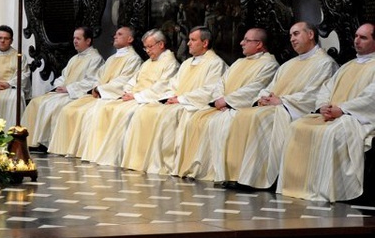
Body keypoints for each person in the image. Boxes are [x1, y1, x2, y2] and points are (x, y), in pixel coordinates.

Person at [216, 21, 338, 189]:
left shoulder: (325, 63)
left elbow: (314, 94)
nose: (292, 39)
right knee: (243, 114)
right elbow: (268, 88)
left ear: (310, 35)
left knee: (259, 117)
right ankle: (236, 174)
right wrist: (262, 98)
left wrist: (282, 101)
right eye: (290, 36)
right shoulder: (288, 65)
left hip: (293, 110)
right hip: (276, 107)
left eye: (296, 34)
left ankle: (254, 178)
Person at [277, 23, 375, 202]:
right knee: (297, 126)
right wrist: (323, 105)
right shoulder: (348, 66)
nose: (357, 41)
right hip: (332, 114)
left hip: (356, 119)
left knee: (331, 133)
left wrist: (343, 109)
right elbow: (326, 88)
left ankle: (328, 189)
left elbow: (370, 98)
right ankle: (298, 185)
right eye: (356, 36)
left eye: (363, 37)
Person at [174, 28, 279, 180]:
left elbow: (255, 87)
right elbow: (221, 83)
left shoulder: (269, 64)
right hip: (223, 106)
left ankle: (223, 172)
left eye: (246, 40)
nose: (241, 43)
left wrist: (228, 101)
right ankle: (201, 168)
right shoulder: (239, 62)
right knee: (197, 118)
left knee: (219, 122)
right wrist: (219, 99)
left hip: (239, 107)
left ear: (259, 44)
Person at [119, 26, 227, 174]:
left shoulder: (215, 63)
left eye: (192, 40)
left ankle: (169, 164)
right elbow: (173, 85)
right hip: (178, 102)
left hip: (193, 104)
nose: (188, 43)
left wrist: (181, 98)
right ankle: (146, 161)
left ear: (205, 43)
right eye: (189, 39)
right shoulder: (187, 63)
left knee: (163, 115)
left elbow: (210, 90)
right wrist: (170, 97)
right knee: (148, 111)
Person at [78, 29, 179, 164]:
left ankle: (123, 157)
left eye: (150, 47)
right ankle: (105, 154)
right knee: (107, 108)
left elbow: (162, 87)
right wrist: (128, 92)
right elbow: (132, 81)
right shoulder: (148, 63)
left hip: (148, 100)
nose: (147, 51)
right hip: (135, 98)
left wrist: (136, 96)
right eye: (145, 47)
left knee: (122, 112)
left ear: (161, 45)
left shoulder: (170, 63)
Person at [47, 26, 143, 156]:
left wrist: (100, 89)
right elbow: (99, 77)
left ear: (130, 39)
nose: (115, 36)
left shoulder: (133, 59)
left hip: (112, 96)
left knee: (86, 113)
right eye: (115, 34)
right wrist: (96, 87)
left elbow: (123, 81)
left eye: (119, 34)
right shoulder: (111, 58)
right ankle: (69, 149)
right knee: (68, 110)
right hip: (99, 95)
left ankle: (88, 151)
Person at [22, 26, 104, 151]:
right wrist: (59, 86)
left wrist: (69, 88)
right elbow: (63, 76)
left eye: (78, 38)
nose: (75, 41)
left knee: (53, 106)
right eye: (74, 38)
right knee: (36, 102)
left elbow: (92, 81)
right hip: (64, 92)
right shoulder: (75, 58)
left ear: (88, 41)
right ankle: (28, 141)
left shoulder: (95, 59)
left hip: (76, 95)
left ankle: (46, 142)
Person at [0, 25, 30, 123]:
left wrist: (8, 83)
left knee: (16, 98)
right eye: (0, 38)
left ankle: (12, 132)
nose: (2, 41)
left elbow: (25, 74)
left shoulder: (19, 56)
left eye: (6, 38)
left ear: (11, 40)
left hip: (11, 87)